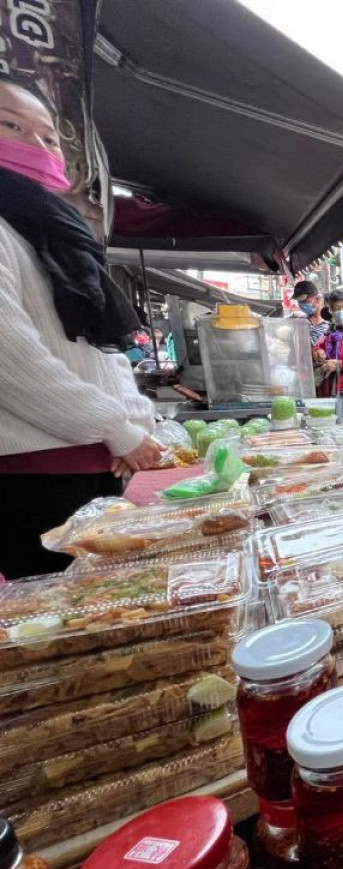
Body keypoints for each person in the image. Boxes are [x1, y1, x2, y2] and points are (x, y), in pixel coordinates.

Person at [0, 76, 157, 578]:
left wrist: (134, 425)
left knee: (110, 610)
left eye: (48, 136)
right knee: (66, 630)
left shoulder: (47, 229)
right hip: (36, 475)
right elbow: (12, 359)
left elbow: (100, 348)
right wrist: (117, 428)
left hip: (93, 463)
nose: (38, 146)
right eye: (11, 126)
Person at [293, 280, 329, 348]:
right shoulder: (300, 322)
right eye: (299, 301)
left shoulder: (331, 323)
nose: (301, 304)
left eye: (304, 300)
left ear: (317, 299)